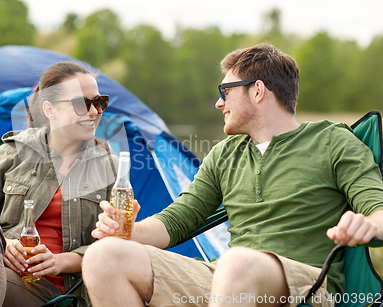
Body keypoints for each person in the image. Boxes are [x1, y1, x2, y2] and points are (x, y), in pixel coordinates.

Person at [82, 43, 383, 307]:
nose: (218, 103)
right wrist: (128, 232)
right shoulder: (225, 154)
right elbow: (177, 221)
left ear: (257, 90)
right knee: (103, 257)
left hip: (307, 284)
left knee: (237, 262)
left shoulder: (333, 140)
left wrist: (365, 224)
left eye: (225, 91)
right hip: (229, 279)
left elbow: (378, 211)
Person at [0, 61, 117, 307]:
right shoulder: (15, 151)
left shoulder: (108, 166)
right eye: (81, 103)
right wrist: (3, 245)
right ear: (50, 109)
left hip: (51, 289)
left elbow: (113, 248)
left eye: (99, 102)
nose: (94, 112)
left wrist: (60, 261)